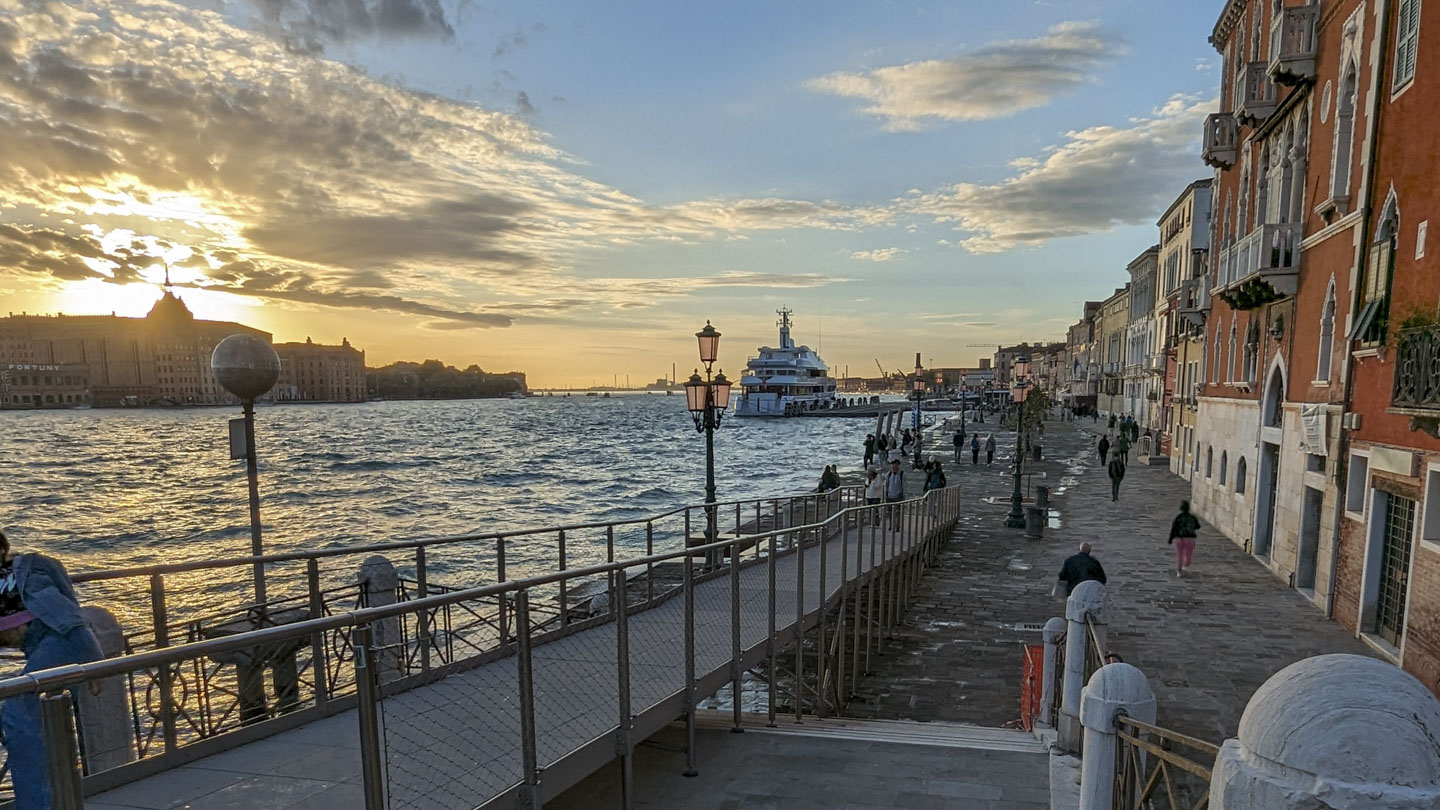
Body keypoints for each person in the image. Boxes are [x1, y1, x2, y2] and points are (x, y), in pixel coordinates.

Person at [0, 530, 104, 810]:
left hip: (64, 639)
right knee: (25, 722)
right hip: (46, 647)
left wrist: (91, 658)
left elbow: (69, 606)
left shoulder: (30, 565)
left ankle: (38, 806)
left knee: (18, 715)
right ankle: (48, 798)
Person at [1169, 500, 1202, 577]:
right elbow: (1198, 526)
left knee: (1179, 554)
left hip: (1179, 538)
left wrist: (1171, 538)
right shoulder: (1192, 517)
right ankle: (1186, 563)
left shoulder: (1179, 517)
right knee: (1188, 555)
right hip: (1190, 539)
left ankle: (1179, 569)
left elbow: (1174, 528)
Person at [884, 458, 906, 529]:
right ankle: (891, 525)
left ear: (898, 465)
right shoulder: (889, 474)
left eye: (895, 464)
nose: (893, 465)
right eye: (892, 464)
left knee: (897, 512)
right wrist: (885, 494)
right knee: (890, 512)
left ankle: (897, 525)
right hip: (889, 496)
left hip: (898, 496)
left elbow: (904, 486)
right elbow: (886, 485)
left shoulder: (902, 474)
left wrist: (903, 495)